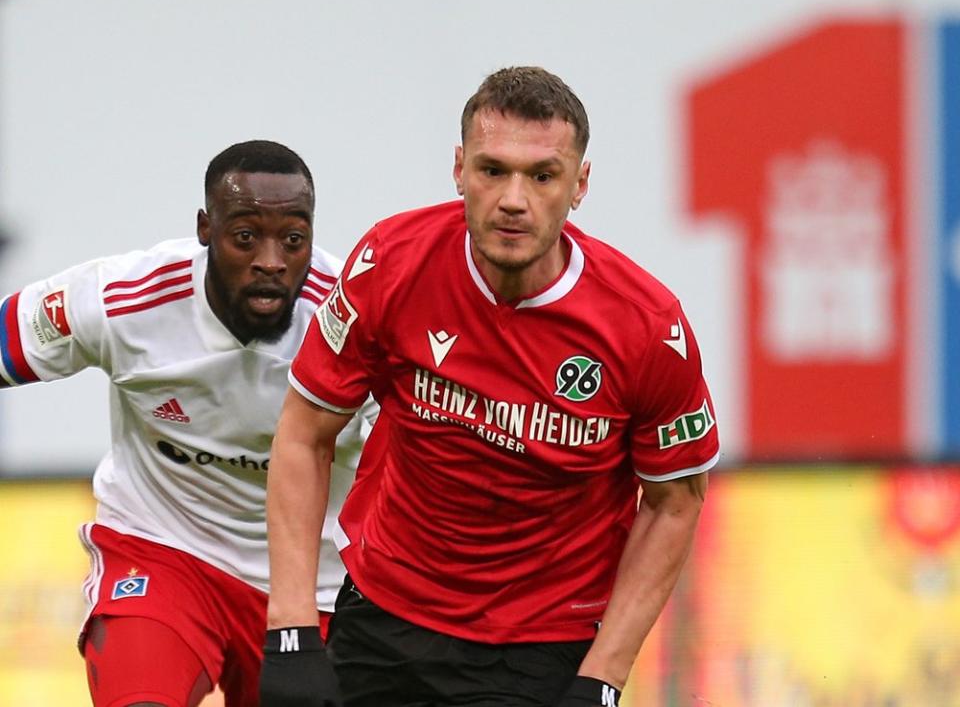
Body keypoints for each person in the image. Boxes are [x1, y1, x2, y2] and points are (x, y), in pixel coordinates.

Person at [261, 68, 719, 707]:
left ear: (579, 185)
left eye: (541, 175)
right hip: (382, 613)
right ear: (458, 170)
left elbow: (675, 501)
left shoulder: (647, 328)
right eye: (492, 169)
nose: (512, 198)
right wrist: (291, 629)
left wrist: (604, 680)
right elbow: (305, 432)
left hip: (538, 648)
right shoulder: (391, 263)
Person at [0, 140, 375, 707]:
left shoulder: (358, 323)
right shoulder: (123, 301)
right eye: (246, 236)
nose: (271, 260)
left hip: (310, 589)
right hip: (163, 553)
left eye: (293, 240)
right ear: (206, 229)